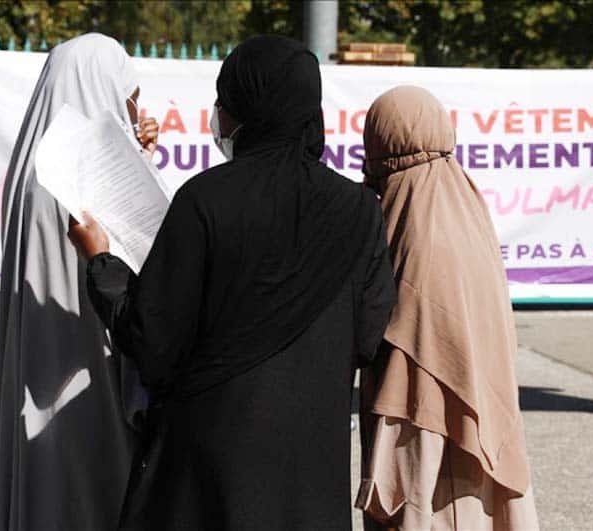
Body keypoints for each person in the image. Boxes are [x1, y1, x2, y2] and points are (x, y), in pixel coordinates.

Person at [68, 35, 396, 530]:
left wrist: (102, 264)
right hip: (310, 471)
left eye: (224, 102)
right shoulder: (359, 211)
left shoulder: (205, 201)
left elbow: (152, 339)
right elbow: (369, 337)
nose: (217, 115)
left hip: (210, 472)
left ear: (247, 107)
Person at [0, 33, 159, 531]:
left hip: (37, 365)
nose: (134, 109)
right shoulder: (89, 177)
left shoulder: (29, 171)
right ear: (102, 88)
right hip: (92, 374)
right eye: (129, 96)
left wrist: (136, 155)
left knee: (46, 494)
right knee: (95, 494)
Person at [356, 86, 539, 530]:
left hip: (429, 436)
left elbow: (412, 364)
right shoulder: (464, 204)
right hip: (482, 420)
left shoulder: (411, 220)